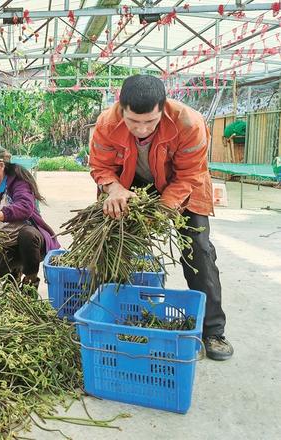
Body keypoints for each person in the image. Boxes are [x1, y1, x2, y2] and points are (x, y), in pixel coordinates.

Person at [89, 74, 233, 361]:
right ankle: (110, 316)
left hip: (181, 185)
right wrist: (115, 189)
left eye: (150, 122)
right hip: (130, 185)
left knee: (198, 249)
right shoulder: (106, 124)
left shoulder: (189, 123)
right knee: (113, 243)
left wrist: (164, 208)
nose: (141, 129)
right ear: (121, 108)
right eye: (133, 122)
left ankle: (213, 331)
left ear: (163, 108)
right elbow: (100, 167)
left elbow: (190, 175)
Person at [0, 145, 60, 289]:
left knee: (27, 235)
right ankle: (15, 270)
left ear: (1, 166)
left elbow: (24, 208)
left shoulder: (19, 182)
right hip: (6, 244)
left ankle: (30, 279)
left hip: (30, 243)